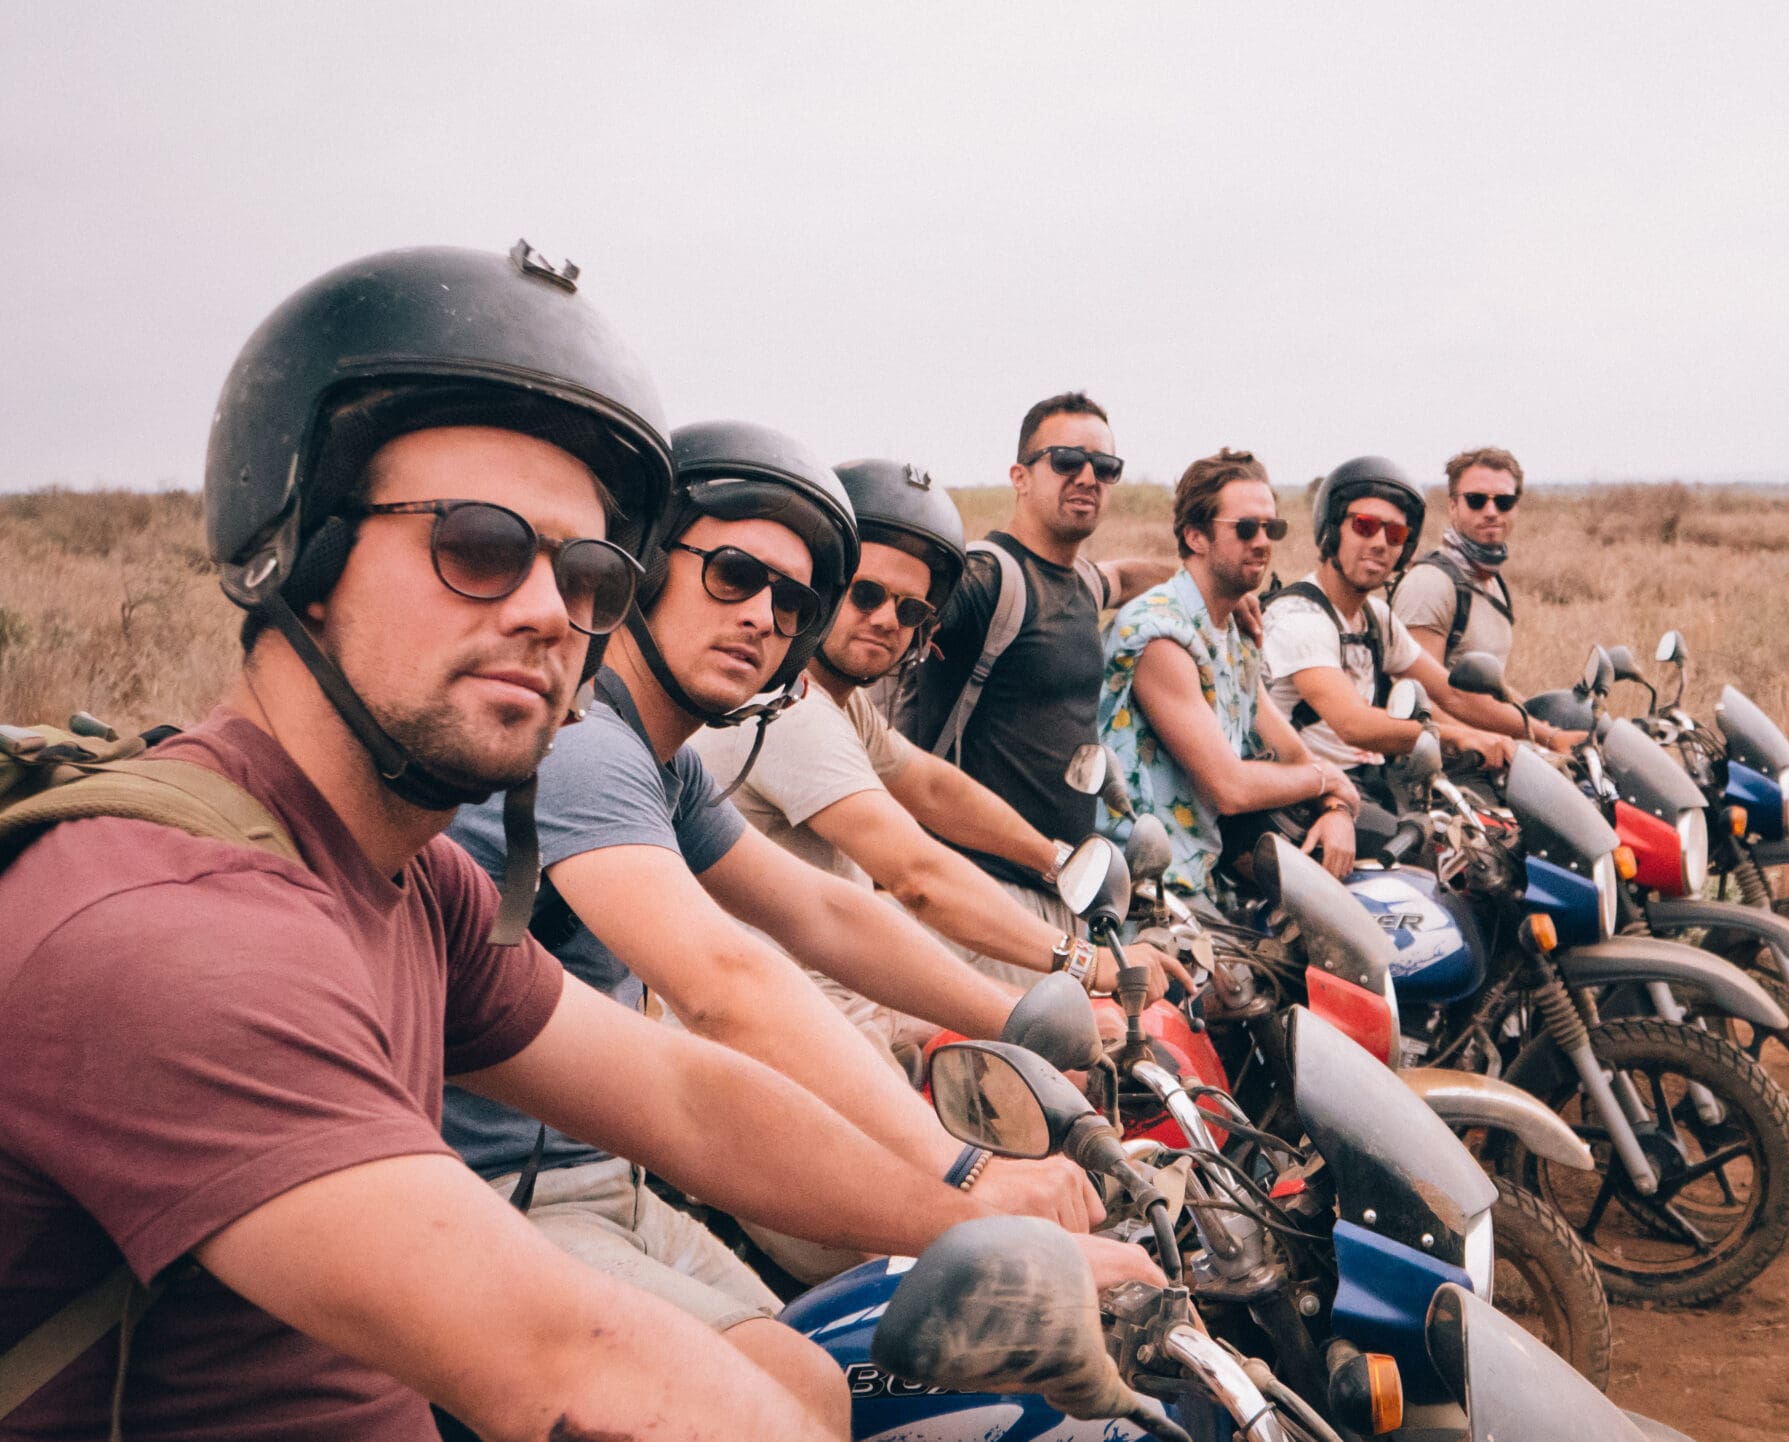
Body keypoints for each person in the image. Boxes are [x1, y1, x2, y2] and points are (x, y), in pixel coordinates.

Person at [0, 243, 1149, 1442]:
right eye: (480, 545)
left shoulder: (418, 879)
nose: (550, 609)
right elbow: (570, 1362)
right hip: (528, 1231)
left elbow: (680, 1092)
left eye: (589, 569)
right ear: (302, 546)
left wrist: (963, 1212)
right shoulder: (165, 930)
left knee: (812, 1376)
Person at [440, 423, 1114, 1334]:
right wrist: (969, 1174)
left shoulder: (664, 758)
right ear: (646, 568)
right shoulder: (589, 747)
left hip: (613, 1181)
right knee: (831, 1385)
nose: (762, 614)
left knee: (848, 1374)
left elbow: (826, 915)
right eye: (733, 575)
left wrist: (1023, 1015)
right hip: (505, 1200)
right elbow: (726, 985)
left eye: (792, 599)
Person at [690, 457, 1180, 1077]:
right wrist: (1081, 962)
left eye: (912, 610)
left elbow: (930, 786)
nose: (887, 620)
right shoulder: (787, 710)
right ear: (822, 585)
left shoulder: (836, 701)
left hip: (848, 1012)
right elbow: (918, 877)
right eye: (866, 594)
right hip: (796, 1048)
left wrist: (1055, 860)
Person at [887, 392, 1175, 984]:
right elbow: (912, 611)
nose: (1089, 477)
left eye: (1106, 467)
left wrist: (1203, 590)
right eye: (1067, 460)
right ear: (1020, 476)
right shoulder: (989, 578)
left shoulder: (1079, 585)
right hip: (980, 895)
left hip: (1058, 896)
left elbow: (1120, 576)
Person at [1094, 448, 1361, 893]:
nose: (1262, 542)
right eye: (1245, 528)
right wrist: (1327, 779)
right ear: (1196, 536)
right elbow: (1230, 788)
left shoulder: (1230, 632)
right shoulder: (1162, 634)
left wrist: (1334, 808)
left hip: (1198, 872)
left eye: (1271, 527)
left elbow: (1291, 753)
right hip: (1140, 887)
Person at [1261, 455, 1572, 803]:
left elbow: (1451, 692)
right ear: (1333, 529)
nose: (1380, 542)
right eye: (1364, 526)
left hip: (1369, 782)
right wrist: (1458, 737)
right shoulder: (1300, 617)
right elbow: (1353, 724)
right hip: (1306, 793)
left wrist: (1546, 735)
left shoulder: (1376, 618)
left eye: (1395, 533)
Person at [1392, 446, 1525, 674]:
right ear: (1453, 506)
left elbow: (1494, 688)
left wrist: (1526, 711)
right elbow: (1422, 700)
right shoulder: (1429, 585)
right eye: (1476, 500)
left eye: (1504, 502)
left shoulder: (1493, 580)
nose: (1491, 511)